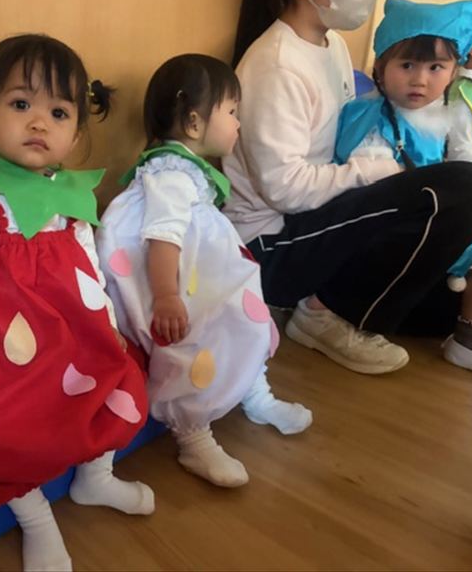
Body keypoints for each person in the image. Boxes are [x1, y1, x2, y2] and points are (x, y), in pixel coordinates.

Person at [0, 33, 154, 572]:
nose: (39, 122)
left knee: (120, 376)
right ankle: (35, 515)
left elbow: (90, 270)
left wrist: (108, 325)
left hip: (68, 335)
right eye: (20, 105)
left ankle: (96, 477)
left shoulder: (70, 198)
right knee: (7, 421)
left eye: (58, 113)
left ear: (75, 133)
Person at [223, 0, 472, 375]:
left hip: (318, 217)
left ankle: (340, 303)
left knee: (445, 312)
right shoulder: (276, 64)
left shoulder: (333, 46)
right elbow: (284, 191)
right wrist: (372, 172)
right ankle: (323, 313)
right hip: (270, 245)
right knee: (465, 186)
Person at [97, 54, 312, 489]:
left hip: (205, 271)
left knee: (242, 320)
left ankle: (255, 394)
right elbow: (163, 235)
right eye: (231, 112)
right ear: (194, 123)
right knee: (192, 341)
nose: (238, 123)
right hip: (176, 280)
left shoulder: (185, 170)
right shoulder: (170, 173)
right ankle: (192, 433)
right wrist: (166, 295)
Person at [333, 0, 472, 371]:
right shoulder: (372, 119)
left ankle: (466, 329)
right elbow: (373, 195)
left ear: (453, 71)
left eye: (435, 67)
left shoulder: (436, 119)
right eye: (407, 65)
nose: (420, 79)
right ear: (381, 66)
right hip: (377, 246)